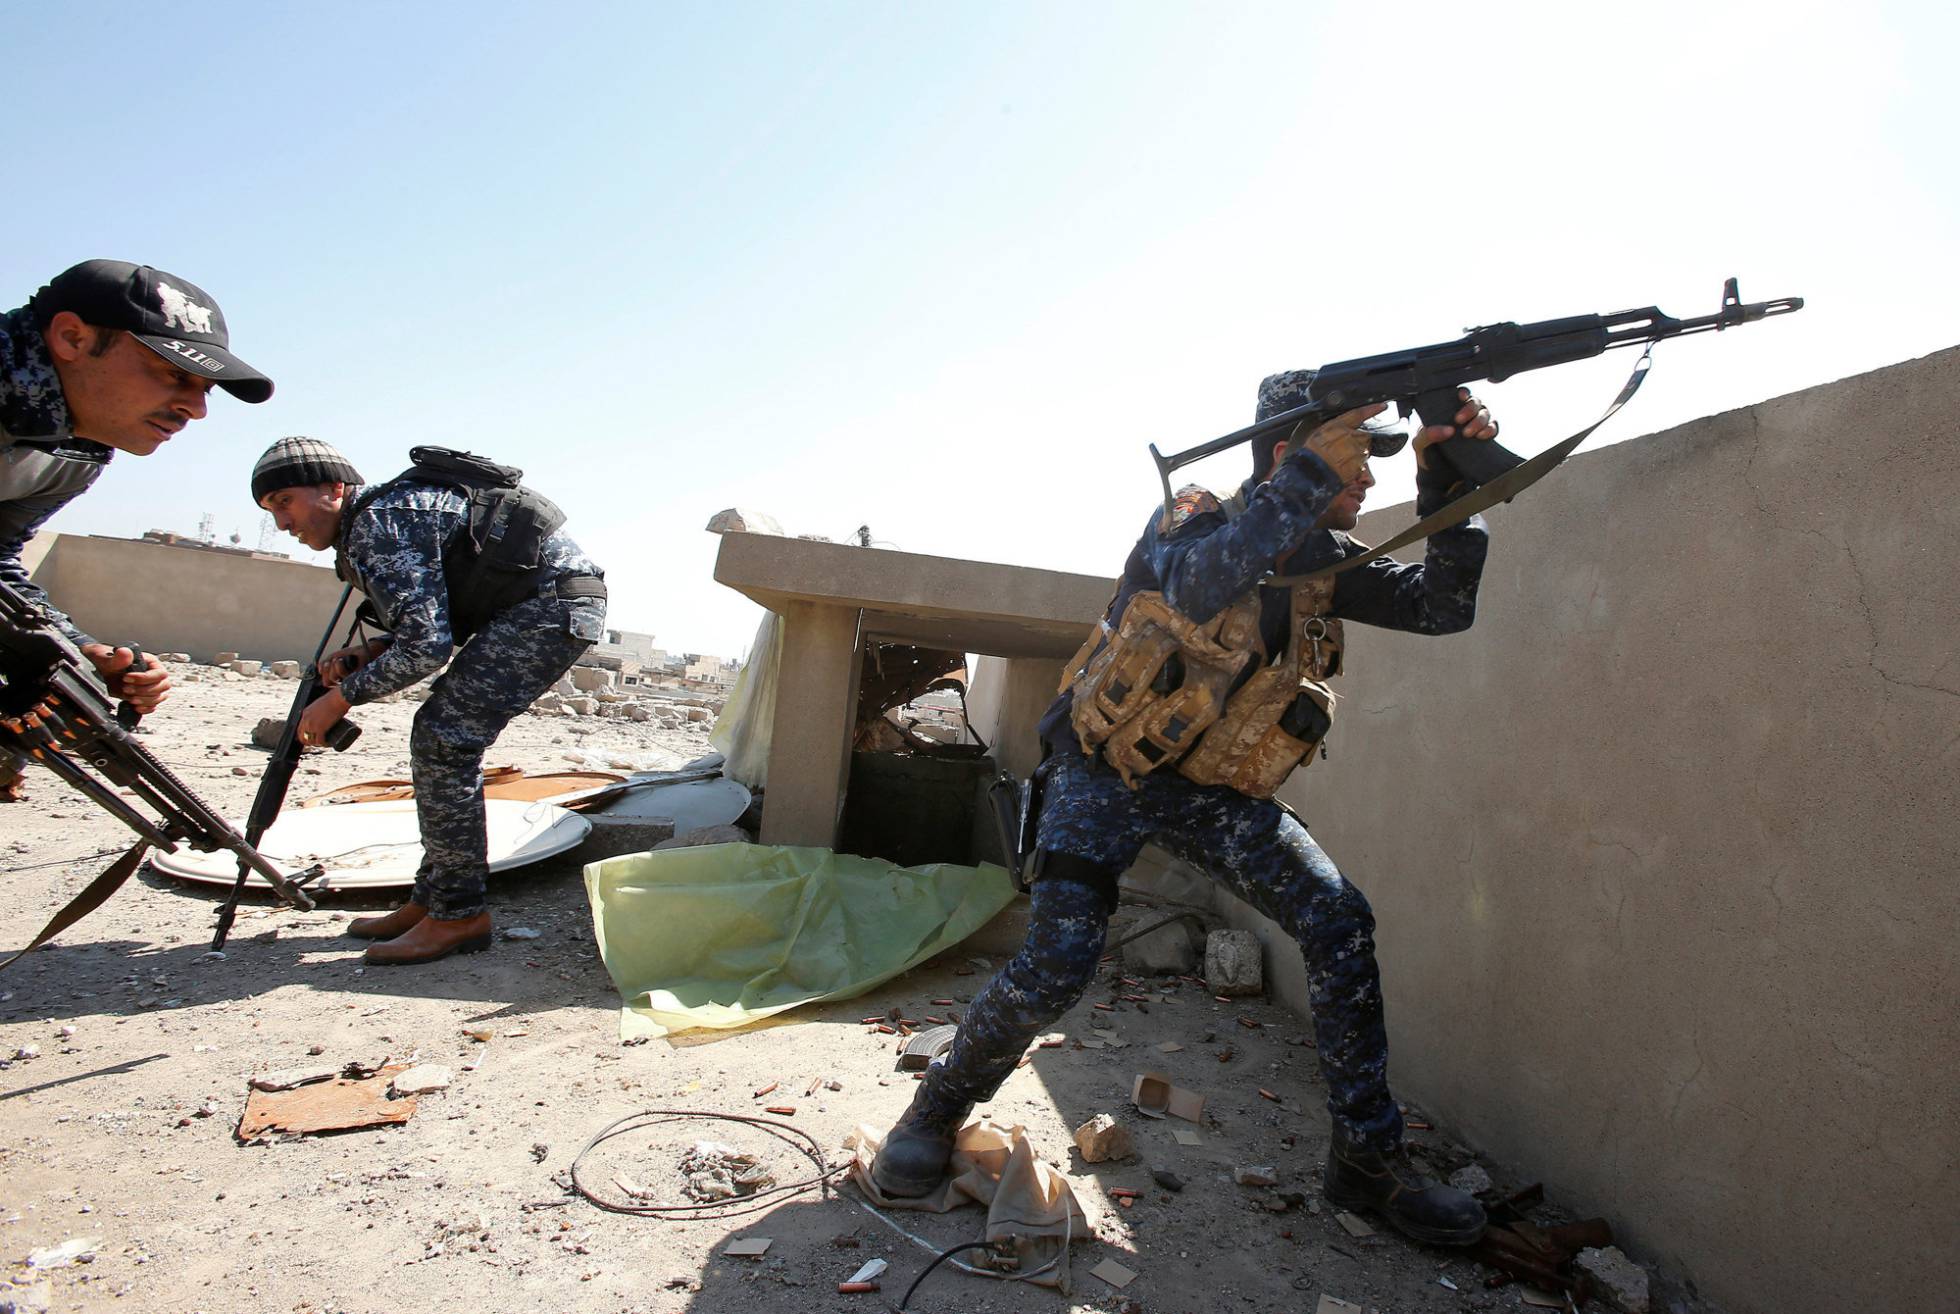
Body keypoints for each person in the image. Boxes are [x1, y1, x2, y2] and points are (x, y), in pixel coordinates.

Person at [871, 375, 1501, 1247]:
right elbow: (1205, 584)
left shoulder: (1325, 562)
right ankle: (934, 1113)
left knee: (1337, 918)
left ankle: (1367, 1163)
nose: (1368, 482)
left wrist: (1451, 482)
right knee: (1057, 965)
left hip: (1211, 792)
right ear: (1292, 455)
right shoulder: (1192, 521)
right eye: (1358, 456)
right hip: (1107, 774)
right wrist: (1313, 478)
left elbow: (1443, 607)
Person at [250, 437, 607, 965]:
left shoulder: (379, 523)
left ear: (334, 488)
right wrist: (371, 650)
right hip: (540, 605)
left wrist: (340, 700)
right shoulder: (382, 517)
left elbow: (427, 647)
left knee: (445, 740)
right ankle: (432, 899)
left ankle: (459, 915)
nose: (283, 523)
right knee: (440, 737)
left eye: (285, 502)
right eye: (270, 510)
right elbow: (432, 619)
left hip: (549, 607)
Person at [1, 260, 273, 798]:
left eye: (205, 390)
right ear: (72, 338)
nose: (195, 409)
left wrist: (78, 653)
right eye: (174, 375)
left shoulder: (75, 447)